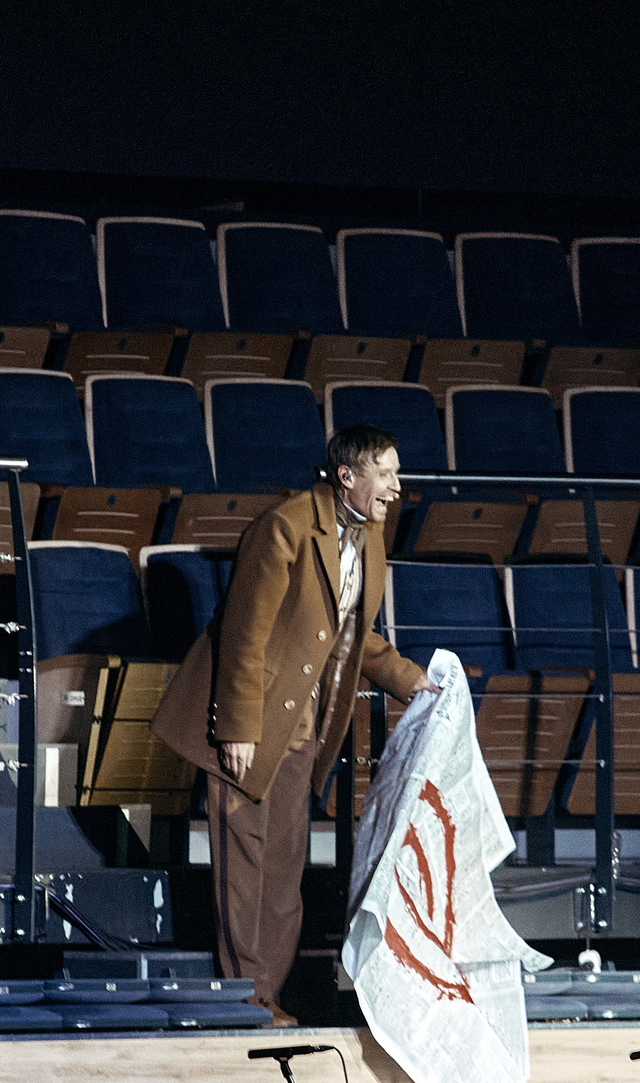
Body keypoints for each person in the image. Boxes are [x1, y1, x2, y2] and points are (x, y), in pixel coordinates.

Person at [152, 423, 432, 1023]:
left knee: (284, 870)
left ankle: (266, 995)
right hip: (251, 723)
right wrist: (237, 729)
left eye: (396, 475)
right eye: (386, 475)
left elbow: (352, 637)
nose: (396, 488)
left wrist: (413, 681)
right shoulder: (284, 528)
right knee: (245, 868)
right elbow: (244, 635)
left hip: (305, 723)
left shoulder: (371, 538)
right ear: (347, 475)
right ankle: (245, 998)